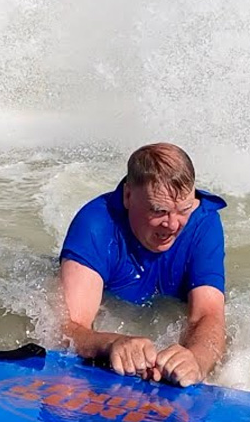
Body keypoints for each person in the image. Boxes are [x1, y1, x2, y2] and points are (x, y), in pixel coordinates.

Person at [59, 142, 226, 387]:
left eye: (184, 209)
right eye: (159, 211)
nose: (173, 225)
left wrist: (196, 361)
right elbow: (66, 329)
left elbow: (208, 315)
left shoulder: (203, 224)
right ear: (128, 196)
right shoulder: (96, 225)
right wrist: (110, 344)